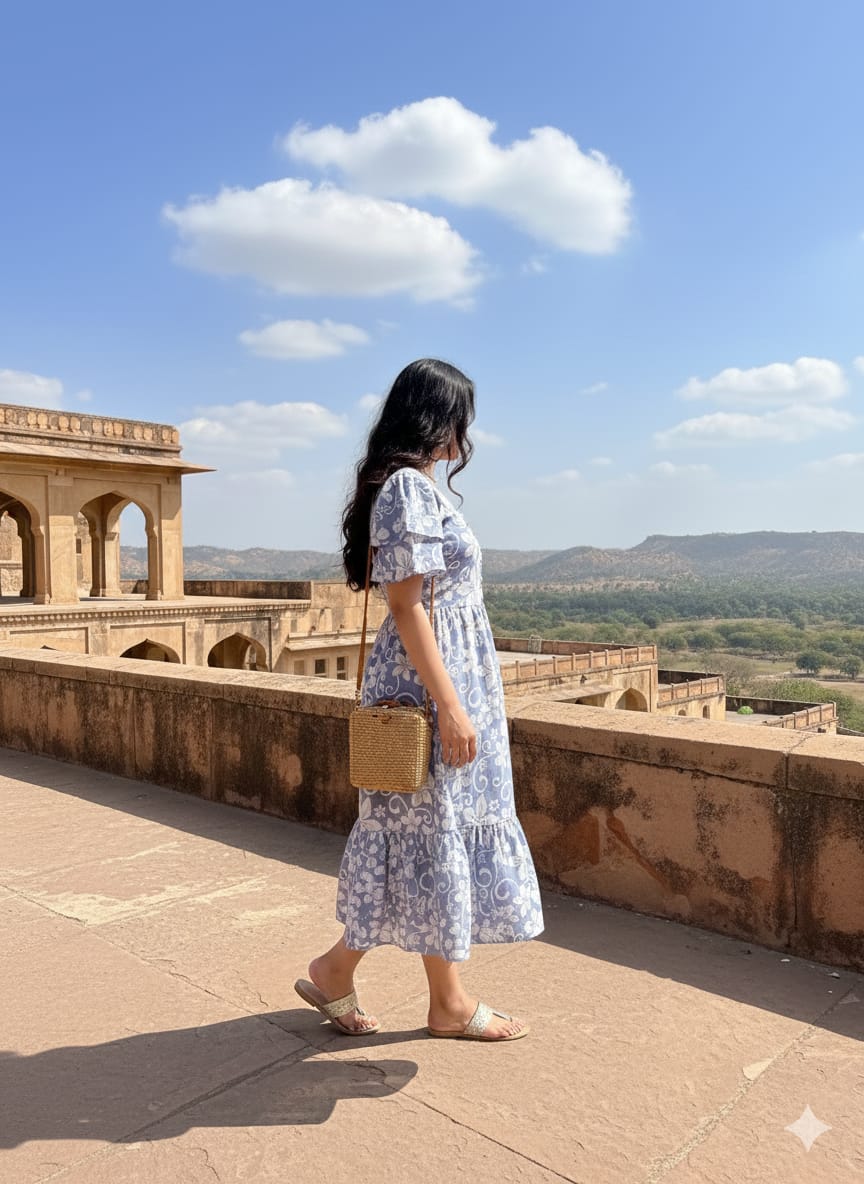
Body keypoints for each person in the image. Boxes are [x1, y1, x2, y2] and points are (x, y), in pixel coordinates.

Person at [294, 358, 544, 1042]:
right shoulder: (407, 487)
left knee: (435, 836)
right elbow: (407, 607)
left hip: (441, 679)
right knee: (432, 833)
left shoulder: (415, 486)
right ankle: (443, 1002)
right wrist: (453, 708)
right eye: (460, 418)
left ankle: (349, 973)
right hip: (425, 689)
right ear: (437, 418)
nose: (466, 435)